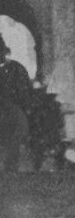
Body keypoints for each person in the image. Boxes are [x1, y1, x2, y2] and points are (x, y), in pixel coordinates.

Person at [0, 38, 32, 172]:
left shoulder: (17, 68)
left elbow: (25, 93)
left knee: (16, 130)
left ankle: (10, 166)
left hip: (13, 113)